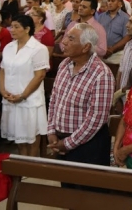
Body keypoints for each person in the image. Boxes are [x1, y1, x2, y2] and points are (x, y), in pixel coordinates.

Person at [47, 23, 114, 175]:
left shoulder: (101, 74)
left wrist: (68, 143)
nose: (64, 42)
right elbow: (54, 100)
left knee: (87, 194)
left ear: (85, 47)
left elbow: (96, 118)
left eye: (71, 39)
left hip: (88, 146)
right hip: (61, 140)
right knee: (66, 190)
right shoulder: (65, 64)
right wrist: (51, 131)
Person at [0, 15, 48, 156]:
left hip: (29, 100)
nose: (12, 30)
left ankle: (31, 167)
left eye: (16, 27)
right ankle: (21, 167)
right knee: (18, 138)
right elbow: (3, 70)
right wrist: (3, 91)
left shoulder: (38, 48)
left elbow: (40, 75)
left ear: (27, 29)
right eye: (11, 26)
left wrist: (23, 95)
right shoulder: (9, 47)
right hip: (11, 98)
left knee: (31, 136)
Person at [98, 0, 130, 65]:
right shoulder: (101, 17)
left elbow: (127, 37)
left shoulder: (126, 18)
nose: (110, 3)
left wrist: (112, 49)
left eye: (113, 1)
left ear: (119, 3)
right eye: (108, 1)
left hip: (117, 55)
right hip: (101, 52)